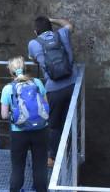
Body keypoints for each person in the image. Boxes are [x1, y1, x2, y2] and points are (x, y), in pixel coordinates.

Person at [0, 56, 49, 192]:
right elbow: (46, 104)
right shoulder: (37, 83)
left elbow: (3, 115)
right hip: (41, 130)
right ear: (25, 68)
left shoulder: (8, 89)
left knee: (17, 166)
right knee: (40, 165)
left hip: (19, 132)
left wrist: (16, 116)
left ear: (10, 71)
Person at [27, 15, 75, 166]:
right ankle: (69, 151)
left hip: (54, 89)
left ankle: (52, 158)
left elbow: (34, 59)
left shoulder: (33, 43)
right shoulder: (61, 34)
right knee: (68, 119)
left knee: (54, 124)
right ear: (51, 27)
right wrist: (51, 19)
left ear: (36, 31)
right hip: (71, 84)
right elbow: (68, 24)